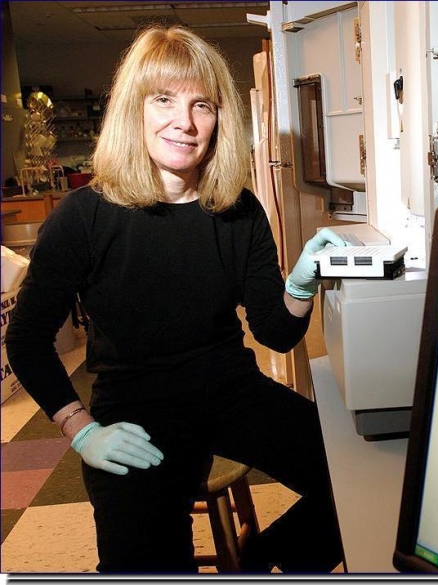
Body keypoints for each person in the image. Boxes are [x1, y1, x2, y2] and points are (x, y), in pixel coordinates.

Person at [6, 25, 347, 574]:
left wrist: (301, 284)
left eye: (201, 105)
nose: (184, 122)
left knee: (363, 483)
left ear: (218, 120)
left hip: (231, 392)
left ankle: (257, 564)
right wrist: (81, 428)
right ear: (134, 110)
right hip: (135, 410)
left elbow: (276, 333)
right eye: (163, 99)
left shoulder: (239, 210)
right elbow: (26, 340)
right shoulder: (84, 216)